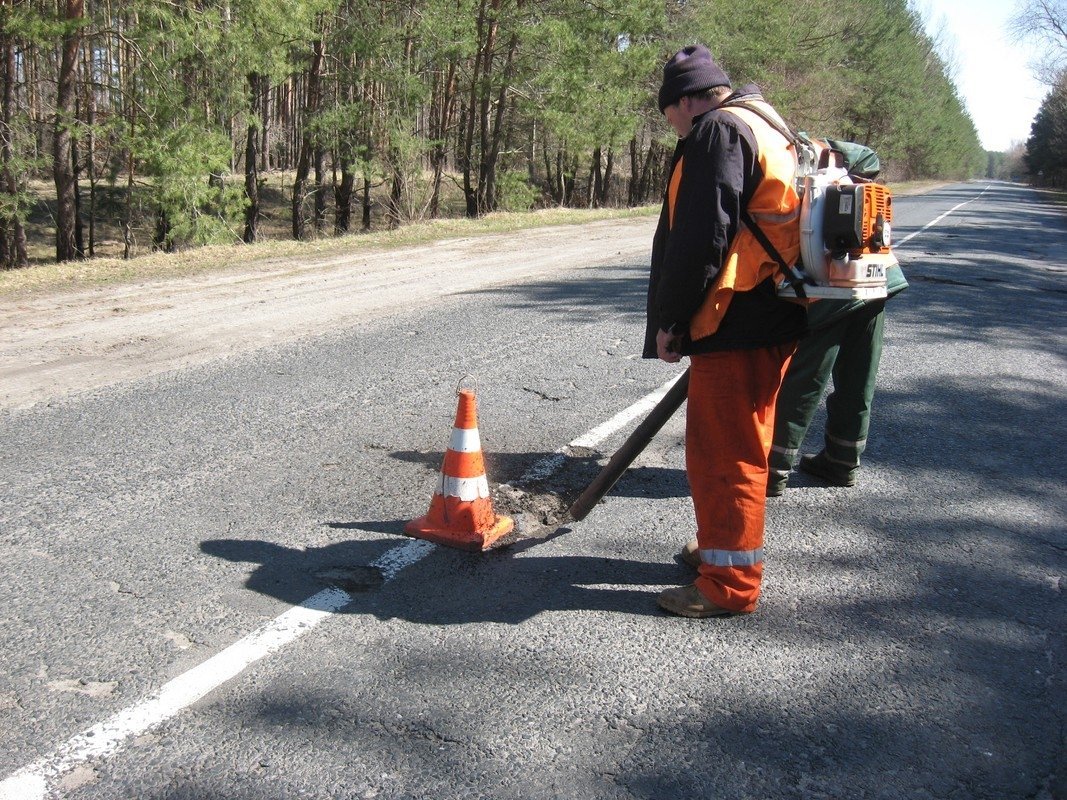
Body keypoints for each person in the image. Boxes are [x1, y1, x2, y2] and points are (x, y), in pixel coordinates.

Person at [644, 44, 807, 618]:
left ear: (688, 99)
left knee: (723, 455)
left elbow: (700, 239)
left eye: (670, 113)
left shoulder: (718, 131)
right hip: (774, 312)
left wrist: (671, 322)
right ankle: (726, 549)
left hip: (735, 318)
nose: (673, 126)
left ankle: (729, 585)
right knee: (747, 444)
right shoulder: (768, 123)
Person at [767, 264, 908, 495]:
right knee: (858, 374)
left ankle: (772, 469)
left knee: (802, 378)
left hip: (828, 279)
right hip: (874, 273)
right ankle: (843, 460)